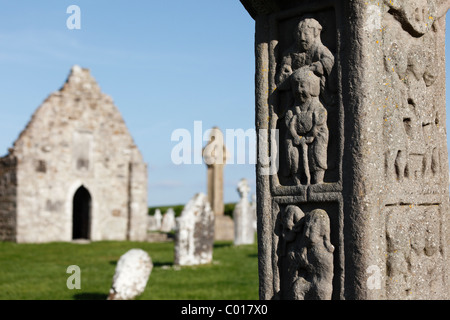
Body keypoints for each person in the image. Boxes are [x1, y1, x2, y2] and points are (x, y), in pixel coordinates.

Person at [285, 67, 328, 185]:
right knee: (293, 154)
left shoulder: (316, 105)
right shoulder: (294, 107)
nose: (299, 90)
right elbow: (289, 121)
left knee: (317, 152)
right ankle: (297, 179)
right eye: (296, 87)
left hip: (315, 134)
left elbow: (321, 116)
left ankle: (318, 179)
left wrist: (313, 132)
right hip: (296, 137)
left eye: (302, 86)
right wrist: (294, 135)